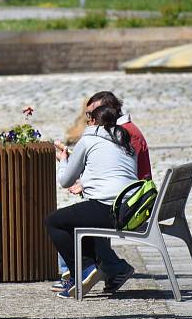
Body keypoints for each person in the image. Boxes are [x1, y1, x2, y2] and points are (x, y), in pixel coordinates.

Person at [53, 91, 152, 295]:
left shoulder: (89, 139)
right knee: (83, 215)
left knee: (55, 221)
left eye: (89, 115)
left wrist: (64, 161)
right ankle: (110, 268)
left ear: (94, 120)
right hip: (130, 206)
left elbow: (65, 181)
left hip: (114, 210)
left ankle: (83, 270)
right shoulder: (125, 137)